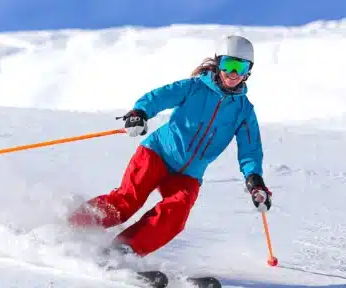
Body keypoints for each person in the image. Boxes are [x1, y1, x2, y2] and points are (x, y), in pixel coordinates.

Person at [67, 35, 272, 259]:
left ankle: (122, 252)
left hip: (190, 173)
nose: (233, 74)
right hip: (157, 153)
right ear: (218, 63)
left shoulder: (244, 110)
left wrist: (254, 180)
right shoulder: (194, 87)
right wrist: (140, 113)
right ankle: (72, 225)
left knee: (175, 216)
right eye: (228, 65)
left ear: (248, 72)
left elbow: (249, 149)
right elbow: (159, 97)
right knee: (127, 202)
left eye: (240, 67)